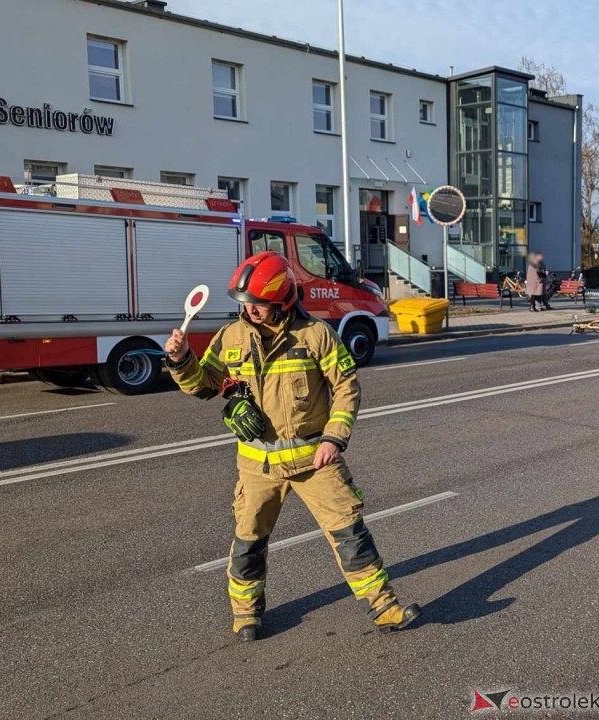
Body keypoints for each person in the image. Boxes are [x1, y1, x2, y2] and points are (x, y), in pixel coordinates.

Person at [163, 251, 419, 641]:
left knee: (351, 535)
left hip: (315, 460)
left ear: (282, 301)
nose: (250, 310)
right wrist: (181, 360)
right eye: (245, 303)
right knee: (248, 544)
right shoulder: (231, 337)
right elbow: (203, 385)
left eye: (258, 304)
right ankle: (246, 615)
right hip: (257, 466)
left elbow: (346, 387)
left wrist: (334, 437)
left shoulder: (316, 335)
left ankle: (385, 608)